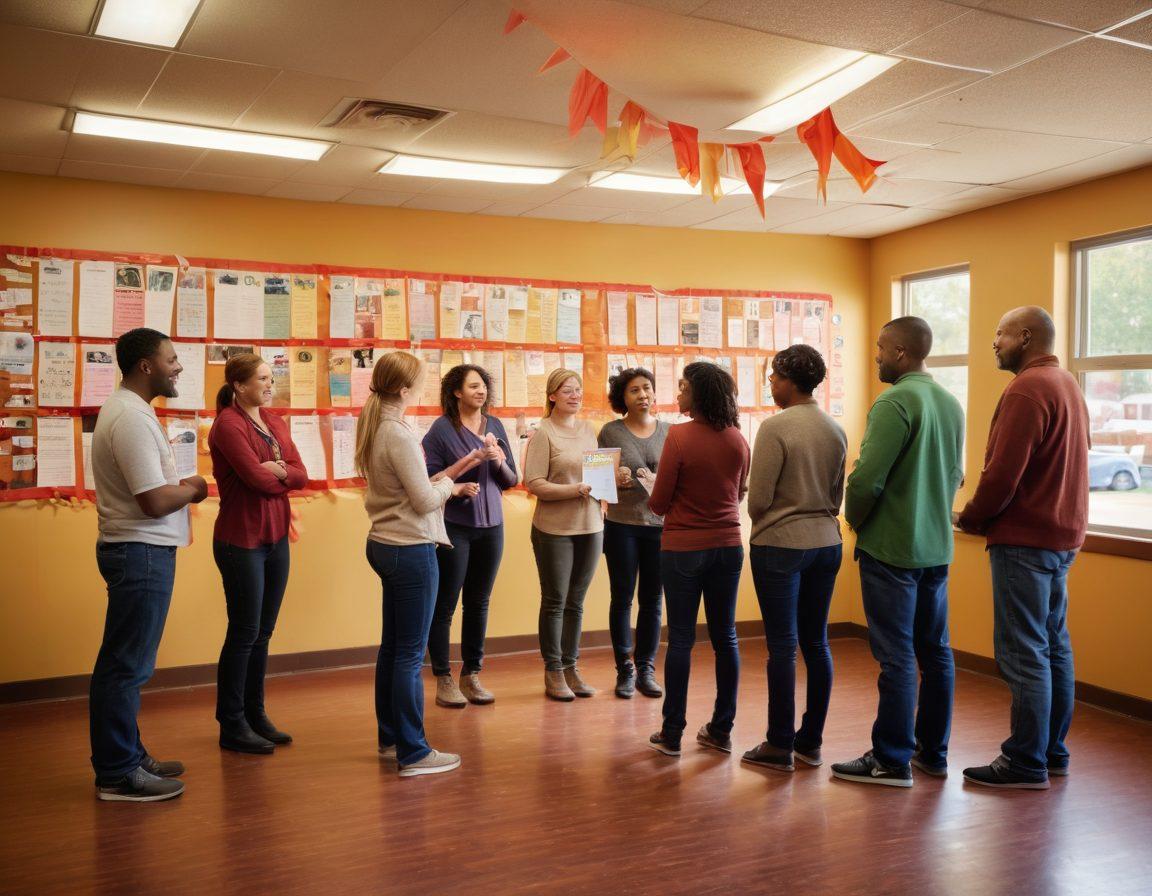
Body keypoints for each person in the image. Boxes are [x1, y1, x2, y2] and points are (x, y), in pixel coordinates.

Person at [957, 306, 1089, 789]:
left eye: (1000, 333)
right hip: (1061, 536)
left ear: (1026, 337)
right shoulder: (1068, 384)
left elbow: (1002, 474)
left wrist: (972, 518)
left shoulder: (1027, 389)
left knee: (1023, 651)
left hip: (1025, 540)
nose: (994, 342)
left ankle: (1024, 762)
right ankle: (1051, 752)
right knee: (1054, 645)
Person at [831, 317, 964, 788]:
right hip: (936, 547)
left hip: (891, 548)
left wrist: (855, 519)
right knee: (936, 652)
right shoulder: (950, 402)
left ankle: (890, 759)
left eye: (882, 349)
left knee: (897, 657)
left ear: (902, 354)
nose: (877, 357)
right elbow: (956, 476)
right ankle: (934, 754)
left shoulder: (893, 401)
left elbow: (867, 478)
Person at [89, 328, 208, 802]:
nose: (178, 367)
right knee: (125, 667)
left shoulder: (131, 411)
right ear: (146, 366)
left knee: (127, 664)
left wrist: (174, 487)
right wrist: (195, 487)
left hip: (141, 551)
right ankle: (118, 774)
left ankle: (129, 756)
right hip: (138, 552)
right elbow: (155, 501)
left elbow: (153, 490)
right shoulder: (132, 418)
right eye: (171, 359)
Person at [357, 351, 482, 777]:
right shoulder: (398, 432)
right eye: (422, 381)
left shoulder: (377, 426)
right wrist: (451, 484)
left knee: (393, 648)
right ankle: (414, 752)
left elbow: (410, 488)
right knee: (410, 655)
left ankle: (391, 738)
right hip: (409, 548)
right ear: (405, 389)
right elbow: (426, 499)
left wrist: (443, 480)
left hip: (385, 543)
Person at [743, 345, 847, 772]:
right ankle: (811, 741)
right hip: (827, 542)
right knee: (817, 642)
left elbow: (759, 500)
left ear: (788, 379)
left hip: (781, 545)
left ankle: (779, 744)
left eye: (773, 378)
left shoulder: (775, 428)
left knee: (782, 647)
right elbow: (837, 496)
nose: (771, 385)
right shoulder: (835, 429)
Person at [647, 362, 750, 758]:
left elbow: (658, 503)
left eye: (683, 386)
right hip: (728, 546)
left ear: (700, 394)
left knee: (682, 639)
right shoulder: (738, 439)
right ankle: (721, 730)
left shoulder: (678, 436)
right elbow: (738, 492)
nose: (678, 392)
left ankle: (672, 733)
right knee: (726, 638)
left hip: (683, 549)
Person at [208, 353, 308, 754]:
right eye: (262, 379)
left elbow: (301, 474)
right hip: (240, 540)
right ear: (239, 385)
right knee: (244, 631)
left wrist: (279, 469)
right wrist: (279, 472)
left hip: (275, 539)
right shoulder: (228, 425)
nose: (270, 384)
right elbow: (253, 480)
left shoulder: (275, 422)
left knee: (263, 632)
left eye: (271, 377)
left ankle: (255, 713)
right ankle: (231, 723)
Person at [422, 364, 518, 708]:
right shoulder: (440, 430)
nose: (481, 392)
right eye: (473, 386)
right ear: (457, 392)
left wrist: (496, 461)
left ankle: (472, 674)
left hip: (493, 528)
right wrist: (457, 487)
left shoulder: (495, 426)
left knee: (479, 602)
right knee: (445, 604)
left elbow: (511, 480)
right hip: (454, 528)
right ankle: (443, 677)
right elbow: (428, 480)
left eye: (484, 387)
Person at [524, 369, 603, 701]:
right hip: (554, 528)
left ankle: (571, 666)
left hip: (592, 526)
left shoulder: (589, 430)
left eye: (579, 390)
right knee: (555, 601)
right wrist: (575, 489)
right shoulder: (543, 432)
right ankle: (553, 670)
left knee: (577, 602)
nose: (575, 395)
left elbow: (598, 478)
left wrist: (614, 480)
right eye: (568, 390)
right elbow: (534, 483)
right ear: (552, 395)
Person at [597, 368, 669, 699]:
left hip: (660, 526)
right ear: (622, 398)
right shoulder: (610, 432)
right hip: (622, 526)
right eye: (634, 390)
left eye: (646, 388)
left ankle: (647, 667)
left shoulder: (670, 432)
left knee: (653, 600)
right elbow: (598, 485)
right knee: (622, 598)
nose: (642, 395)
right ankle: (624, 668)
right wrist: (616, 481)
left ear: (654, 394)